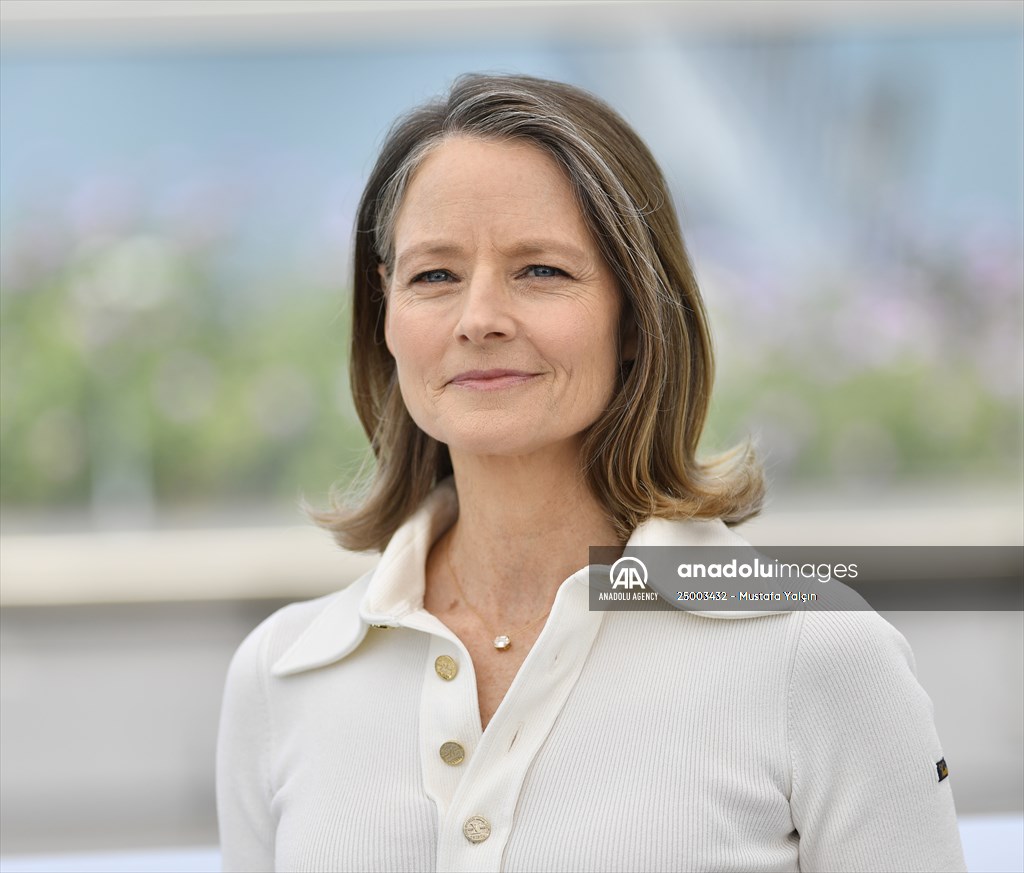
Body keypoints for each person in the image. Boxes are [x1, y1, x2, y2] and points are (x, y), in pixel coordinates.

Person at [216, 73, 967, 872]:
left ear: (637, 316)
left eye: (541, 270)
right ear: (386, 313)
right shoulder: (281, 675)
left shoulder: (816, 651)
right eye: (434, 274)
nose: (479, 319)